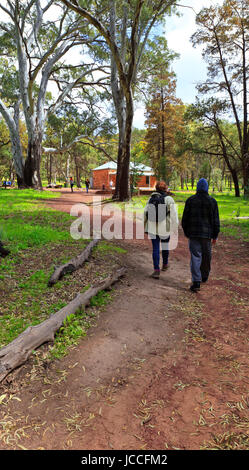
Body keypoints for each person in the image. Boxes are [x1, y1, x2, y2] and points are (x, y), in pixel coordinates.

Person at [181, 178, 220, 293]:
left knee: (195, 256)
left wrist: (187, 232)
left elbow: (185, 219)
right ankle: (204, 276)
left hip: (193, 234)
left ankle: (196, 281)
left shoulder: (190, 200)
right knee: (207, 256)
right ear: (207, 188)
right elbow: (216, 220)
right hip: (207, 235)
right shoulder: (212, 202)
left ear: (197, 188)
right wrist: (215, 235)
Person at [144, 181, 178, 279]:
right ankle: (165, 264)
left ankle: (156, 270)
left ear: (156, 188)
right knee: (165, 246)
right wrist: (175, 227)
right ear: (165, 189)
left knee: (155, 248)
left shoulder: (151, 198)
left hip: (152, 228)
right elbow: (174, 215)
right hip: (165, 228)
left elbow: (145, 212)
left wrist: (145, 227)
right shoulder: (169, 199)